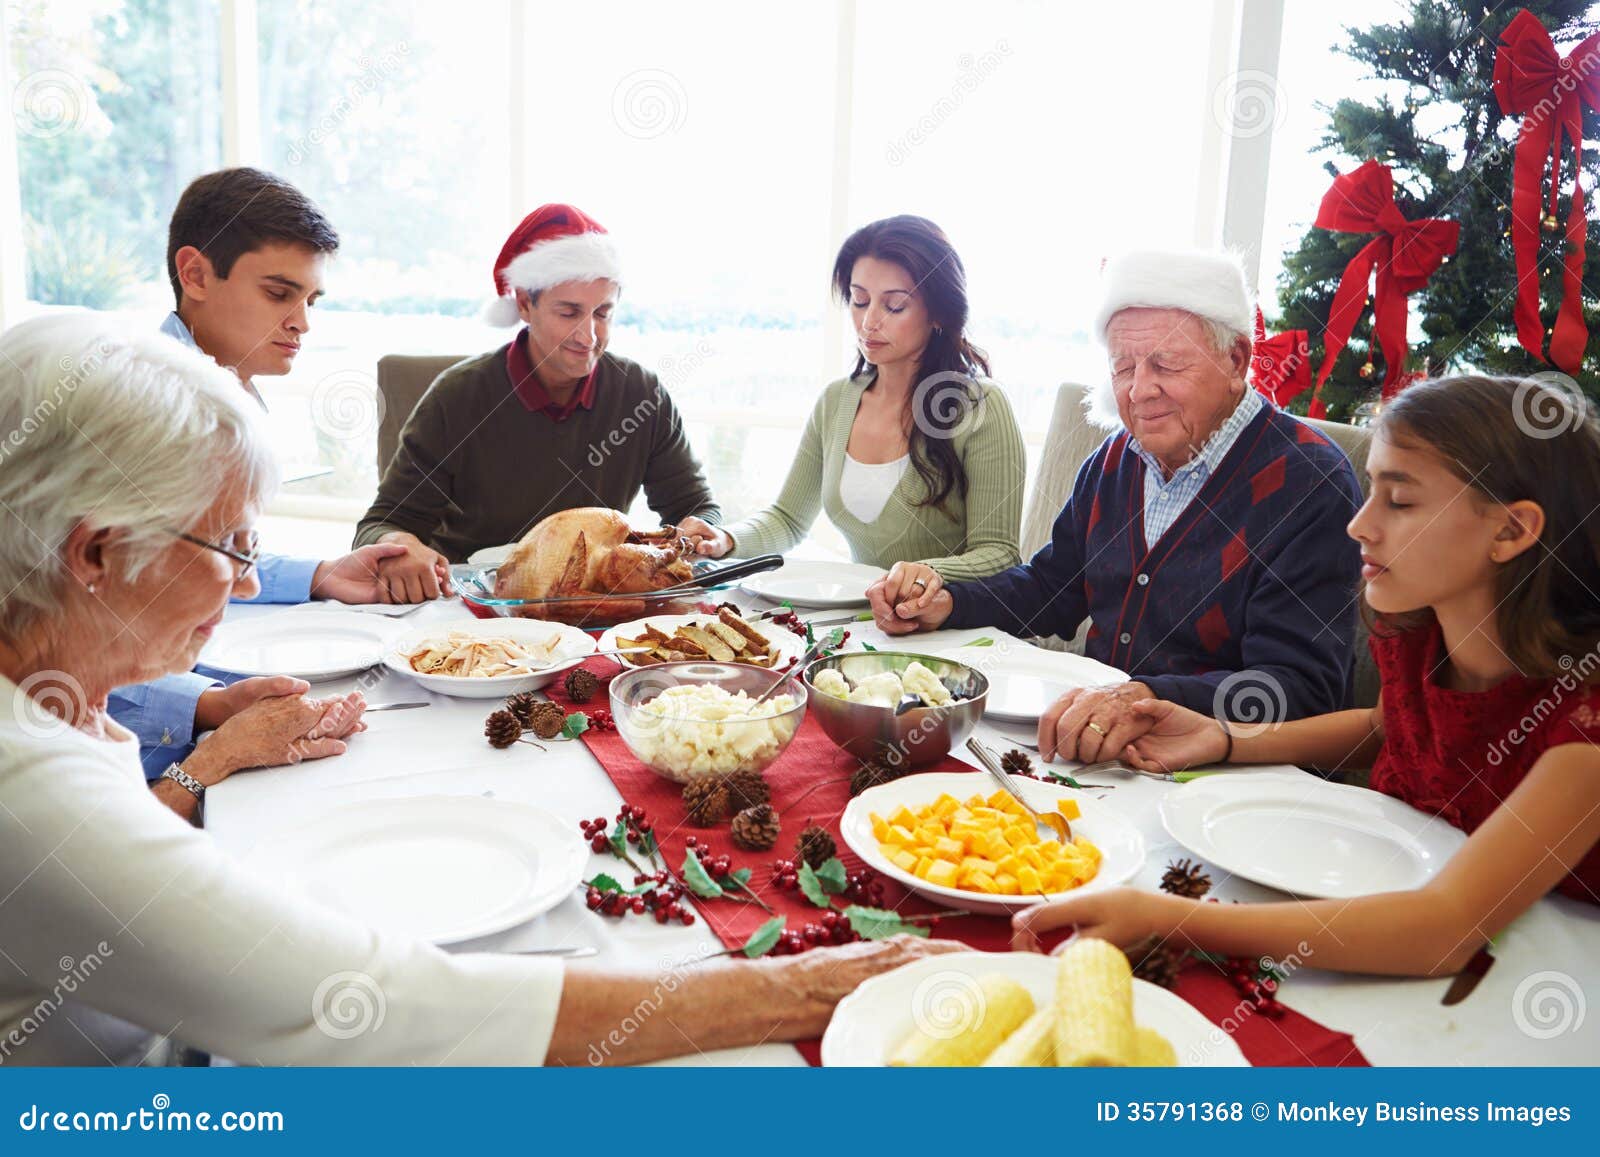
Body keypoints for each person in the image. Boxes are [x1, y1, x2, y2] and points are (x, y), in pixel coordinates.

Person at [0, 315, 952, 1066]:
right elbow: (378, 1008)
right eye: (232, 549)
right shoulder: (25, 785)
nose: (249, 585)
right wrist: (811, 984)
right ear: (94, 552)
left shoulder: (58, 696)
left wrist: (205, 763)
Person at [1014, 375, 1600, 976]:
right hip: (1389, 906)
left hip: (1542, 965)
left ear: (1510, 530)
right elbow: (1388, 723)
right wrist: (1223, 737)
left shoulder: (1583, 723)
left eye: (1399, 502)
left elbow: (1443, 932)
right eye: (1371, 490)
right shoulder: (1423, 632)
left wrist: (1172, 920)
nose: (1359, 524)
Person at [868, 249, 1363, 763]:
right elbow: (1051, 587)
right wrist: (950, 603)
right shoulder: (1116, 457)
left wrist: (1147, 697)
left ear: (1236, 360)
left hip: (1223, 777)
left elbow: (1298, 689)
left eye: (1166, 364)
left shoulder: (1310, 483)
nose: (1140, 390)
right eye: (1122, 367)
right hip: (1098, 748)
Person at [111, 167, 436, 780]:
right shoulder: (144, 414)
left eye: (309, 300)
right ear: (196, 274)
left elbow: (198, 560)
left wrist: (323, 574)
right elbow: (57, 646)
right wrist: (208, 710)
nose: (302, 322)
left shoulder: (226, 389)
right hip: (137, 769)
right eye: (279, 293)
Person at [354, 204, 721, 595]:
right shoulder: (457, 397)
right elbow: (379, 525)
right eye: (569, 312)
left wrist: (701, 530)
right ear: (525, 305)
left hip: (592, 608)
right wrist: (404, 545)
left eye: (602, 313)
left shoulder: (641, 394)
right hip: (474, 605)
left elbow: (697, 508)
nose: (589, 336)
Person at [679, 216, 1023, 580]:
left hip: (954, 629)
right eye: (859, 300)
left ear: (938, 312)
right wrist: (725, 539)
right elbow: (789, 519)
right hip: (869, 623)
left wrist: (922, 574)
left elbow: (999, 553)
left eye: (894, 306)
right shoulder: (836, 401)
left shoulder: (980, 406)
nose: (868, 322)